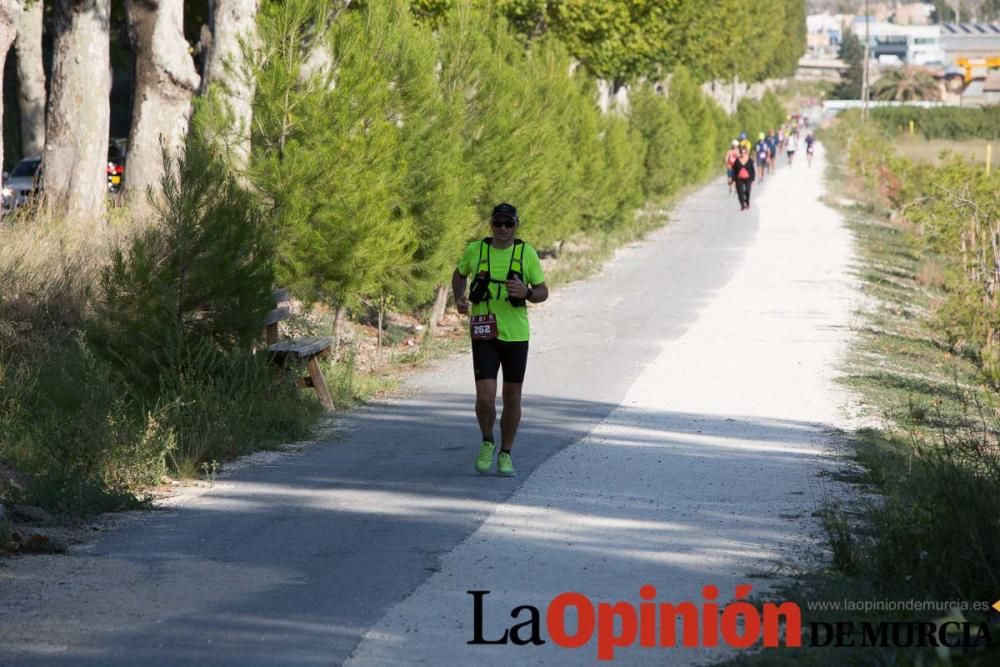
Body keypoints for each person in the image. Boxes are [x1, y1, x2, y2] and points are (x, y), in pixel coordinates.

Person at [452, 203, 548, 477]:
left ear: (516, 224)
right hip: (484, 332)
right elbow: (459, 274)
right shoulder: (476, 250)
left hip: (516, 335)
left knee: (512, 396)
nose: (503, 228)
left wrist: (527, 293)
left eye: (509, 223)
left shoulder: (525, 253)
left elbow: (543, 291)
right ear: (491, 224)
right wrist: (458, 298)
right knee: (485, 397)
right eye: (498, 223)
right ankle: (487, 440)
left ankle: (506, 452)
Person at [731, 146, 755, 211]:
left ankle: (747, 202)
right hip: (739, 178)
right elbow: (734, 170)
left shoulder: (749, 160)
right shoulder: (737, 160)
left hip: (748, 178)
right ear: (740, 153)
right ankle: (742, 205)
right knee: (740, 192)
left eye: (744, 152)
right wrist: (733, 179)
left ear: (746, 152)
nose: (742, 154)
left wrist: (753, 179)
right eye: (741, 152)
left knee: (747, 191)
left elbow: (752, 170)